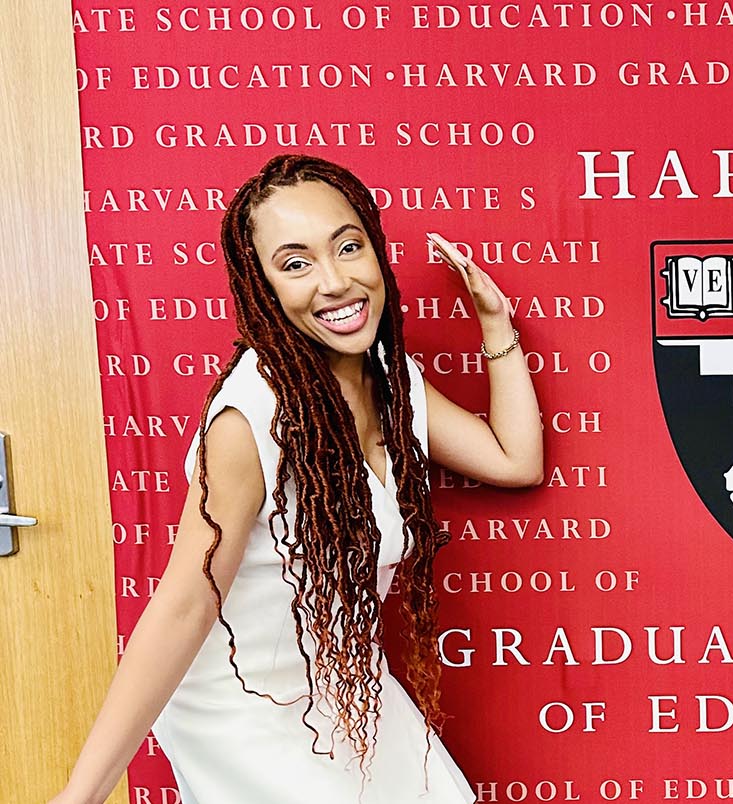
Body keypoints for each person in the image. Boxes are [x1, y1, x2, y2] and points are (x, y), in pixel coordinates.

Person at [50, 154, 543, 804]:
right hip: (242, 705)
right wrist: (80, 795)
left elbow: (514, 459)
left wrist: (494, 323)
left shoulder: (391, 381)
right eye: (296, 263)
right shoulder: (251, 413)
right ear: (264, 285)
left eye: (349, 247)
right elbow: (184, 604)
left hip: (346, 686)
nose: (335, 281)